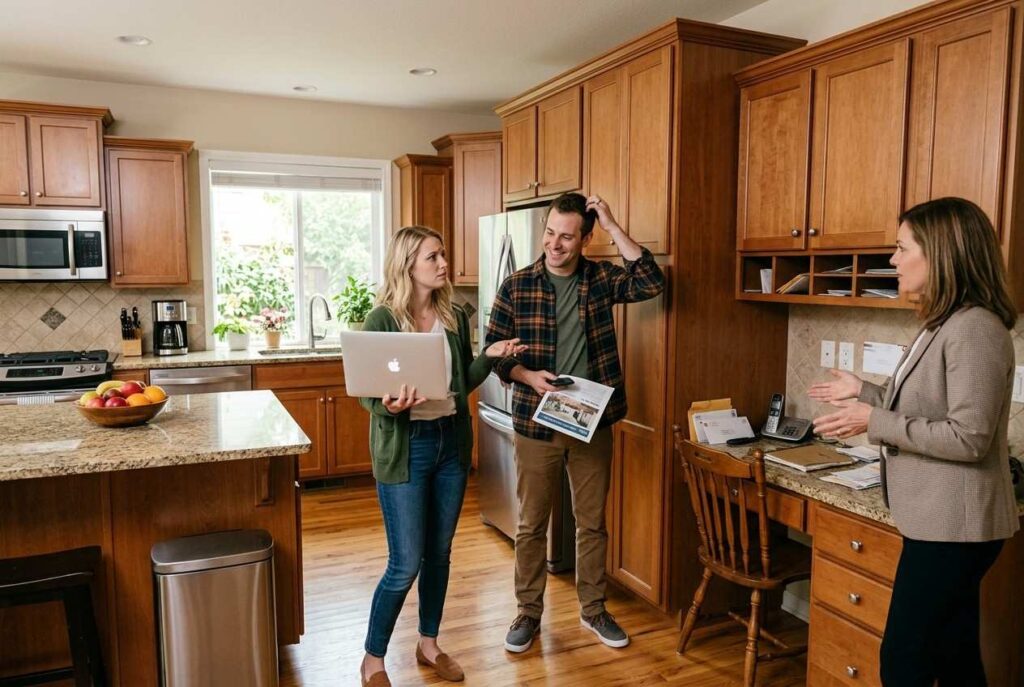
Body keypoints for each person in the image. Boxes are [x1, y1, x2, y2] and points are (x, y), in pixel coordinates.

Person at [809, 197, 1020, 686]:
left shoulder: (976, 330)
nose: (893, 260)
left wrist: (874, 420)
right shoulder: (941, 323)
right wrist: (866, 392)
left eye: (902, 248)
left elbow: (968, 437)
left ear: (941, 253)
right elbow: (929, 408)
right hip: (941, 521)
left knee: (903, 659)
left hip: (957, 526)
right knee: (954, 654)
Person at [485, 192, 665, 653]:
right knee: (530, 525)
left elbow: (650, 280)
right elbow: (494, 353)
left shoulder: (601, 279)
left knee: (592, 524)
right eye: (550, 233)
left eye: (567, 236)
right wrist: (526, 374)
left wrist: (611, 221)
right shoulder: (517, 286)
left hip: (592, 422)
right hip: (535, 423)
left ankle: (593, 611)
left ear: (585, 239)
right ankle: (527, 614)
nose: (555, 244)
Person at [357, 225, 525, 687]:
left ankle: (428, 643)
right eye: (433, 256)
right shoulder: (382, 320)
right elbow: (368, 390)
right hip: (406, 449)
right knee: (405, 562)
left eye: (443, 255)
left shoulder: (454, 315)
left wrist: (489, 356)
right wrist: (386, 404)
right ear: (408, 263)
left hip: (451, 445)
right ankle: (373, 658)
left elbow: (459, 385)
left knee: (440, 554)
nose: (444, 264)